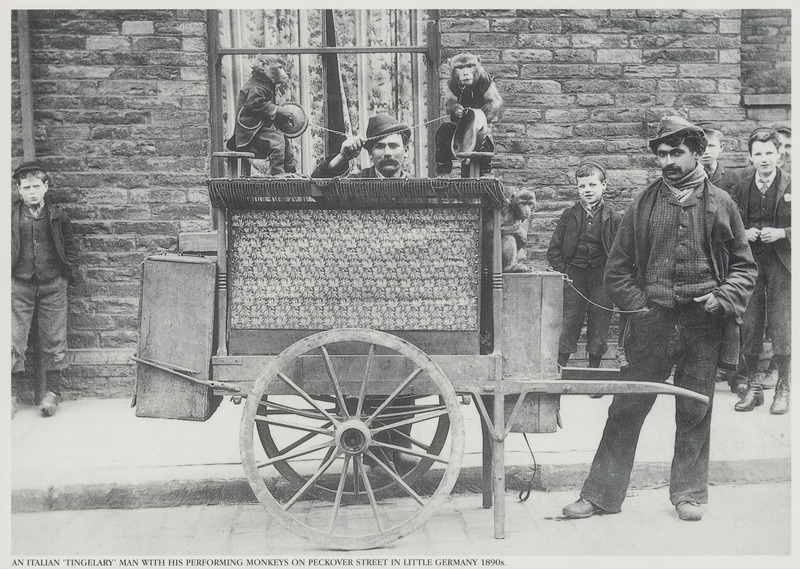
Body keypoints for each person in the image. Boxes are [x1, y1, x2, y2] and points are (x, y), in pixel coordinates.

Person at [561, 116, 756, 522]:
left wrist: (721, 299)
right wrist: (643, 309)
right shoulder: (643, 204)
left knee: (695, 410)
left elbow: (745, 269)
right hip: (652, 324)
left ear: (696, 152)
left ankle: (688, 494)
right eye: (661, 154)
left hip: (703, 323)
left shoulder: (722, 203)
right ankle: (600, 495)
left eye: (675, 152)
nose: (667, 160)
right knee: (627, 408)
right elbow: (616, 271)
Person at [729, 128, 791, 414]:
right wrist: (745, 232)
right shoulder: (741, 189)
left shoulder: (792, 185)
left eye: (769, 152)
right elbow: (728, 223)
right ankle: (753, 387)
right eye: (758, 153)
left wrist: (782, 232)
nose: (764, 159)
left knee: (781, 325)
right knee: (750, 325)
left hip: (783, 265)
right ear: (750, 156)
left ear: (779, 154)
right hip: (751, 265)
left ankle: (783, 387)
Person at [11, 161, 79, 417]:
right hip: (19, 285)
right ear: (18, 190)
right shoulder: (9, 215)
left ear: (46, 186)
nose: (31, 192)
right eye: (26, 187)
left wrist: (64, 277)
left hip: (53, 285)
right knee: (13, 339)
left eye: (36, 186)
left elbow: (70, 248)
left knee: (54, 338)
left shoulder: (58, 215)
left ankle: (52, 394)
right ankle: (10, 394)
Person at [546, 160, 622, 377]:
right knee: (569, 322)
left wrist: (611, 274)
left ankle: (594, 373)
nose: (587, 190)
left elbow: (621, 253)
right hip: (575, 277)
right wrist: (566, 271)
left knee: (600, 323)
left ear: (604, 185)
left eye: (592, 185)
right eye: (582, 186)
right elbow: (553, 251)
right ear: (577, 189)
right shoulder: (569, 215)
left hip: (601, 277)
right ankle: (557, 370)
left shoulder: (614, 217)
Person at [226, 55, 297, 176]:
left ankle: (290, 172)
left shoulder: (266, 84)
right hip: (249, 135)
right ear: (263, 66)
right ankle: (277, 172)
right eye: (280, 67)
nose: (284, 72)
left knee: (284, 141)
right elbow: (254, 104)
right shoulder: (257, 86)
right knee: (277, 140)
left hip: (258, 132)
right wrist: (278, 110)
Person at [311, 113, 411, 179]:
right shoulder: (354, 185)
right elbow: (317, 189)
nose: (387, 153)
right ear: (370, 153)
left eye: (393, 146)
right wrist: (342, 158)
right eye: (380, 147)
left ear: (406, 150)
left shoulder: (419, 187)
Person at [696, 121, 740, 193]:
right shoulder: (686, 176)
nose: (706, 151)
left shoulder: (733, 177)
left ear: (721, 146)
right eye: (701, 146)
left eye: (711, 146)